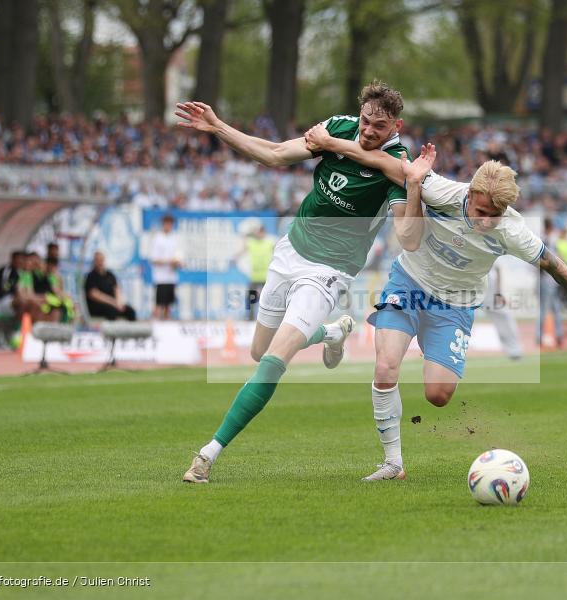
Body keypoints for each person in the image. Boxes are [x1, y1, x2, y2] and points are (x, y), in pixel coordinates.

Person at [304, 126, 567, 481]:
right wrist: (329, 143)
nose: (484, 220)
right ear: (470, 192)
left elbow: (555, 266)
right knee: (386, 367)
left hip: (456, 304)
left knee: (438, 395)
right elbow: (380, 160)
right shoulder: (439, 190)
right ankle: (393, 464)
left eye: (493, 215)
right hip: (409, 284)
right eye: (480, 209)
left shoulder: (513, 231)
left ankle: (427, 343)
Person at [176, 81, 426, 484]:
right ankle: (331, 332)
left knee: (274, 362)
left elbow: (408, 236)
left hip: (330, 270)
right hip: (290, 250)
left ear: (396, 126)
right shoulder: (339, 127)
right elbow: (276, 154)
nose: (368, 131)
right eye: (365, 120)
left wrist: (412, 186)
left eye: (378, 127)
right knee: (260, 352)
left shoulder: (398, 162)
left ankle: (208, 454)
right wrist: (219, 127)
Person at [481, 263, 524, 360]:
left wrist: (499, 292)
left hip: (487, 284)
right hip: (468, 284)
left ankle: (514, 350)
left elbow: (498, 268)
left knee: (504, 317)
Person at [85, 251, 137, 321]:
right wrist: (113, 302)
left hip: (113, 304)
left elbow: (117, 289)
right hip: (98, 306)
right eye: (98, 260)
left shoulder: (110, 275)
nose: (100, 262)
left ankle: (131, 331)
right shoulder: (91, 276)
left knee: (130, 311)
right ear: (94, 261)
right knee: (112, 311)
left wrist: (119, 303)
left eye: (102, 260)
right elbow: (94, 294)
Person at [538, 219, 564, 348]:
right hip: (550, 280)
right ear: (551, 226)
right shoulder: (549, 241)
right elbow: (558, 259)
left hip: (546, 280)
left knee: (546, 309)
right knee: (554, 308)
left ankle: (541, 336)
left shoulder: (543, 240)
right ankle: (558, 335)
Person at [150, 214, 181, 320]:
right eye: (166, 223)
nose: (168, 226)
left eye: (170, 224)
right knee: (159, 304)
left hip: (171, 277)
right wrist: (169, 262)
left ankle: (167, 326)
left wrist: (178, 263)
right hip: (161, 277)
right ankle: (155, 325)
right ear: (163, 224)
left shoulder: (175, 238)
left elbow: (178, 257)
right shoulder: (158, 238)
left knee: (168, 305)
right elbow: (154, 259)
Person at [244, 225, 275, 321]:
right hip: (255, 277)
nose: (258, 234)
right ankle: (250, 318)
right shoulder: (251, 243)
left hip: (266, 277)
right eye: (257, 232)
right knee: (250, 297)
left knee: (269, 299)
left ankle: (270, 319)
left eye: (260, 232)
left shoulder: (269, 242)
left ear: (264, 232)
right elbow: (244, 242)